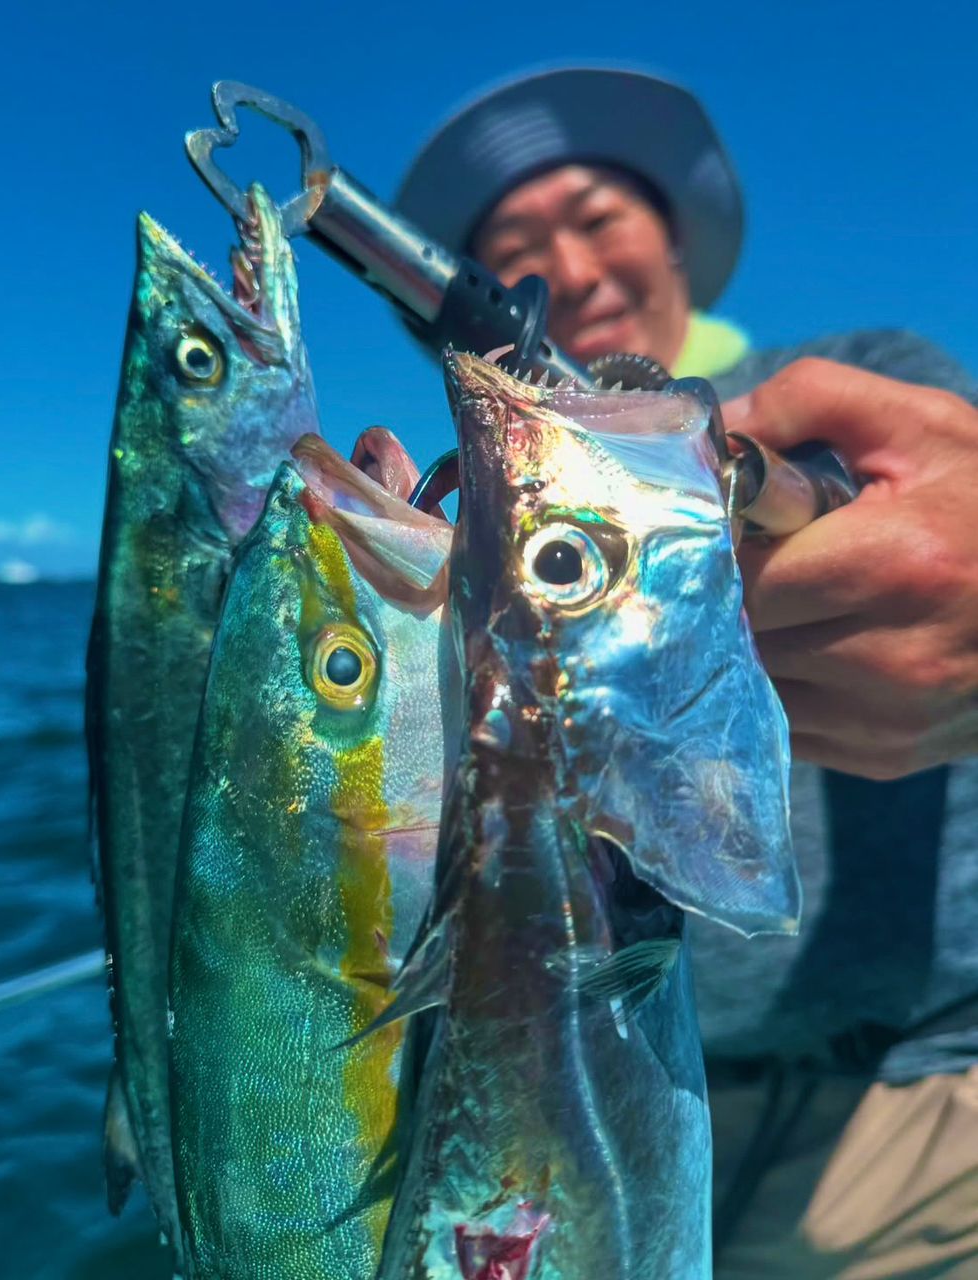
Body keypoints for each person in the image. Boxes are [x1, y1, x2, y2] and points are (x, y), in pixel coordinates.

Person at [394, 66, 978, 1278]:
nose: (573, 264)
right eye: (515, 246)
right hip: (589, 1111)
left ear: (675, 244)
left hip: (919, 1104)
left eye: (600, 220)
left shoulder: (858, 375)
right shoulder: (463, 529)